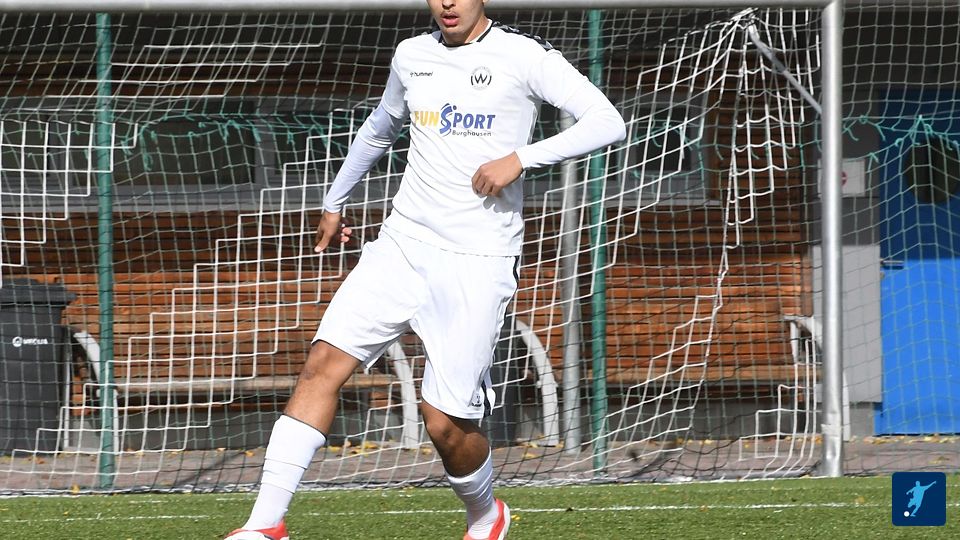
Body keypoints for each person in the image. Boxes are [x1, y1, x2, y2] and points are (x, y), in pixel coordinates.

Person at [226, 0, 625, 538]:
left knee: (445, 425)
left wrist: (520, 159)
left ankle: (486, 514)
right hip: (401, 245)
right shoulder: (411, 55)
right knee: (322, 364)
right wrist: (335, 200)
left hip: (477, 260)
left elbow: (607, 121)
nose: (447, 3)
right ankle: (265, 525)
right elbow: (380, 127)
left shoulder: (524, 55)